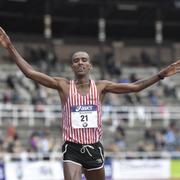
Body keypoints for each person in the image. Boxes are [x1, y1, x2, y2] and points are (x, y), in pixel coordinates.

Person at [0, 27, 180, 180]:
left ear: (90, 66)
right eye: (76, 60)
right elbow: (30, 73)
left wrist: (161, 74)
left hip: (94, 148)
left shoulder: (102, 87)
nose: (80, 62)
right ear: (72, 67)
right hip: (72, 148)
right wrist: (10, 47)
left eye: (84, 60)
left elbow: (135, 87)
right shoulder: (63, 86)